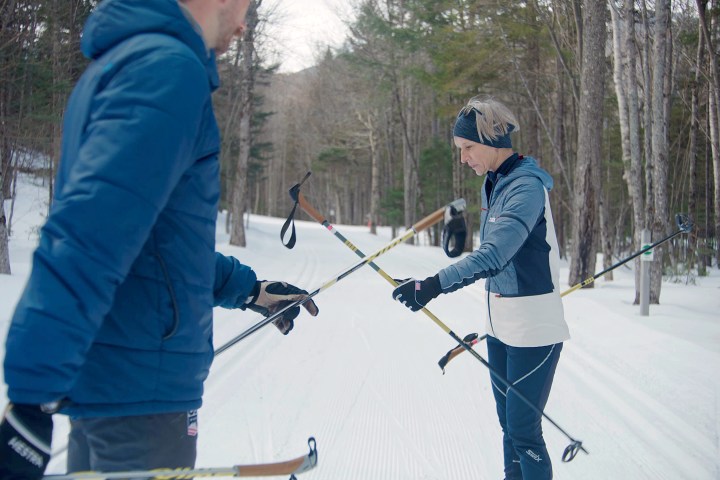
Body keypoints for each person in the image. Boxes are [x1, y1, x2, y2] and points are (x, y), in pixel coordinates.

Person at [0, 0, 319, 478]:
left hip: (119, 382)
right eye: (244, 6)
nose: (243, 23)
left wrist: (249, 290)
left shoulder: (129, 64)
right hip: (139, 391)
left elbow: (152, 242)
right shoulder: (167, 72)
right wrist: (30, 396)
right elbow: (92, 233)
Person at [392, 95, 569, 480]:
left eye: (467, 147)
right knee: (509, 427)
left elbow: (494, 255)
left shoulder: (525, 189)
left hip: (533, 327)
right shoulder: (496, 182)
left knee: (524, 430)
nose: (463, 158)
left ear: (491, 141)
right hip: (501, 324)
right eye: (460, 149)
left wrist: (434, 285)